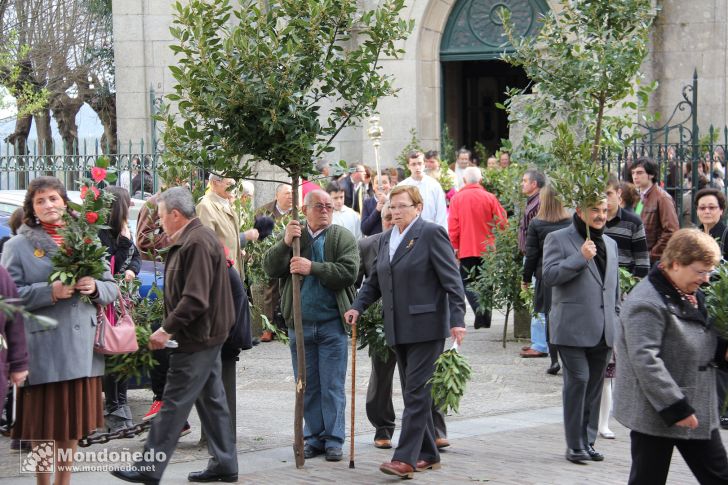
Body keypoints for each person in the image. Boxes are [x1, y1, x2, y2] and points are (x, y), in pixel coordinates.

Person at [111, 187, 238, 484]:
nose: (159, 222)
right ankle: (225, 463)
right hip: (205, 335)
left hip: (197, 337)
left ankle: (149, 467)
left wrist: (166, 328)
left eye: (161, 216)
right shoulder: (193, 238)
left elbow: (195, 299)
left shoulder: (196, 242)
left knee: (172, 403)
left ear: (176, 215)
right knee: (212, 400)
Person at [2, 176, 117, 485]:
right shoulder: (17, 246)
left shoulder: (87, 239)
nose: (48, 205)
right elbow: (9, 297)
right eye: (40, 201)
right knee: (43, 427)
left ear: (65, 202)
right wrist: (49, 291)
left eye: (53, 198)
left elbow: (111, 287)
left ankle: (63, 482)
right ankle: (43, 482)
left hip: (82, 348)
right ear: (32, 210)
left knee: (72, 424)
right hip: (43, 350)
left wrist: (95, 288)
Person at [345, 185, 466, 479]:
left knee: (415, 393)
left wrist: (457, 320)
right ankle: (428, 453)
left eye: (402, 206)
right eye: (392, 206)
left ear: (418, 207)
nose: (395, 211)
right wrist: (358, 306)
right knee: (416, 393)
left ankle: (405, 459)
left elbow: (452, 280)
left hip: (426, 327)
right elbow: (374, 281)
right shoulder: (386, 239)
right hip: (397, 328)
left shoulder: (431, 234)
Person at [614, 229, 728, 484]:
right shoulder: (646, 302)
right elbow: (645, 360)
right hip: (657, 411)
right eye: (700, 271)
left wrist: (721, 350)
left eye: (708, 271)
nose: (706, 278)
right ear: (675, 263)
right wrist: (676, 406)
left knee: (720, 476)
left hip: (695, 402)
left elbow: (696, 333)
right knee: (648, 479)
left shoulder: (685, 288)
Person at [262, 189, 359, 462]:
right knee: (307, 384)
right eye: (319, 205)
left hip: (331, 325)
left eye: (329, 206)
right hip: (301, 326)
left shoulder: (342, 237)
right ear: (305, 210)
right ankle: (314, 437)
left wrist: (312, 267)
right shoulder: (295, 236)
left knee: (332, 385)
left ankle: (334, 439)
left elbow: (349, 272)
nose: (325, 210)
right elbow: (270, 269)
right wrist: (283, 243)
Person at [359, 203, 451, 451]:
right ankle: (383, 427)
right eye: (387, 217)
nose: (391, 221)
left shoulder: (422, 238)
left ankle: (434, 431)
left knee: (421, 381)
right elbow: (361, 283)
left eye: (395, 215)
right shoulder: (369, 244)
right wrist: (356, 309)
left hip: (415, 323)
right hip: (380, 323)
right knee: (382, 376)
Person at [542, 197, 619, 464]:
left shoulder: (611, 243)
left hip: (604, 328)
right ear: (579, 210)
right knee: (579, 381)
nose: (600, 215)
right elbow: (550, 277)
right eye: (595, 210)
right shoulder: (558, 238)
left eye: (604, 210)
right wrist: (580, 257)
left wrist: (616, 322)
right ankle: (574, 445)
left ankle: (588, 442)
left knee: (595, 386)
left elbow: (613, 290)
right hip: (571, 327)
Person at [598, 175, 650, 439]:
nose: (604, 200)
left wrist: (632, 297)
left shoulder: (632, 222)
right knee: (602, 362)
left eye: (608, 194)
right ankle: (595, 419)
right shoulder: (594, 223)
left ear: (619, 193)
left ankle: (608, 419)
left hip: (623, 299)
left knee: (616, 362)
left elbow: (642, 263)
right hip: (597, 300)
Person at [98, 186, 142, 433]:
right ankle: (114, 407)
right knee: (112, 351)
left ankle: (121, 404)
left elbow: (135, 257)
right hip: (107, 305)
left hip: (123, 301)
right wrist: (124, 245)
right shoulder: (102, 233)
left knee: (123, 350)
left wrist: (133, 270)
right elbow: (108, 265)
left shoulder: (125, 229)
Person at [448, 166, 506, 329]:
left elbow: (453, 226)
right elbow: (502, 223)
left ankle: (479, 311)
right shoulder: (490, 197)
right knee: (487, 282)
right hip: (488, 248)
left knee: (466, 282)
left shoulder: (457, 199)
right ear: (480, 180)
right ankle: (485, 316)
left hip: (466, 248)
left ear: (464, 180)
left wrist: (455, 247)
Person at [521, 184, 571, 369]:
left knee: (550, 317)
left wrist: (526, 278)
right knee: (566, 316)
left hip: (545, 275)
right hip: (566, 274)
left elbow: (531, 254)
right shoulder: (570, 222)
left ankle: (554, 360)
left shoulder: (537, 223)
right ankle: (566, 358)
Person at [694, 187, 728, 430]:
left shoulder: (725, 234)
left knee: (722, 358)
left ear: (721, 210)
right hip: (699, 304)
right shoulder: (695, 237)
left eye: (711, 207)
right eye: (702, 208)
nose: (706, 211)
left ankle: (719, 411)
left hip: (722, 305)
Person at [256, 183, 293, 342]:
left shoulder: (298, 211)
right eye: (287, 193)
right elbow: (258, 236)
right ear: (277, 195)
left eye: (292, 193)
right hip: (271, 255)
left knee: (291, 289)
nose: (290, 196)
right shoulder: (264, 212)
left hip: (291, 255)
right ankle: (268, 327)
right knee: (269, 291)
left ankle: (289, 324)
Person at [631, 157, 679, 264]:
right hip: (640, 256)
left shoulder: (662, 198)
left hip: (654, 260)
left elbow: (671, 231)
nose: (635, 176)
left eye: (639, 173)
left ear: (651, 175)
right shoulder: (640, 197)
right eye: (633, 173)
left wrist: (652, 254)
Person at [197, 174, 245, 277]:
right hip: (220, 277)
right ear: (215, 183)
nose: (233, 187)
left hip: (232, 273)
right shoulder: (205, 206)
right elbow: (206, 247)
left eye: (234, 184)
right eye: (229, 184)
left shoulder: (226, 204)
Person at [397, 151, 448, 229]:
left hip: (430, 229)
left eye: (419, 163)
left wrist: (441, 234)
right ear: (408, 166)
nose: (417, 167)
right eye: (413, 164)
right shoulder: (402, 186)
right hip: (408, 229)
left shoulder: (434, 185)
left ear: (424, 164)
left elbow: (441, 213)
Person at [518, 169, 545, 254]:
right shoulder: (533, 201)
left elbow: (538, 232)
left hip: (533, 254)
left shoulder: (538, 203)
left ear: (534, 184)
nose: (521, 184)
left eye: (525, 181)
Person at [361, 172, 392, 236]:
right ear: (373, 186)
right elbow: (364, 229)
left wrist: (387, 203)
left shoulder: (395, 201)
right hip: (375, 242)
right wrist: (377, 210)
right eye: (377, 183)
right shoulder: (367, 203)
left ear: (390, 184)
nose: (381, 186)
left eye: (384, 182)